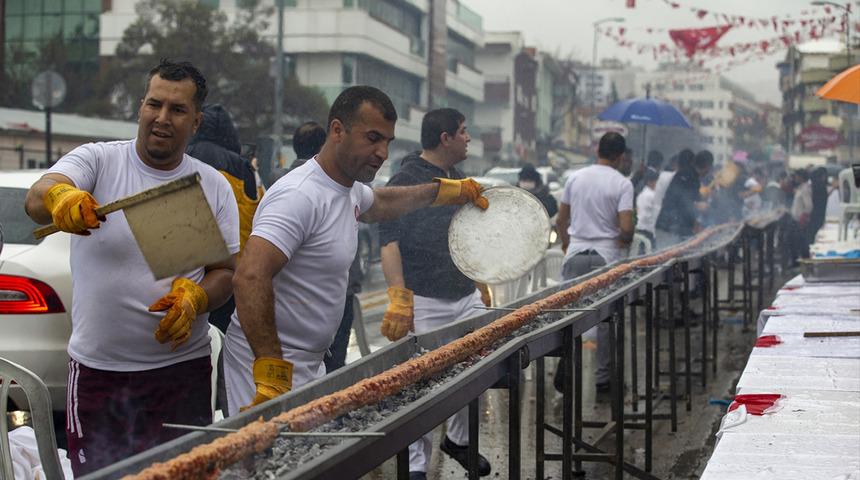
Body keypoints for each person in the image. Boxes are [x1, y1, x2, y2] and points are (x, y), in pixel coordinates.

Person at [24, 59, 239, 476]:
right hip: (98, 374)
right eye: (154, 104)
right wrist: (61, 199)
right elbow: (37, 197)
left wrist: (196, 298)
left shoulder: (211, 185)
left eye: (177, 110)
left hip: (180, 374)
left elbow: (225, 272)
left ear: (195, 122)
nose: (162, 118)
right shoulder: (100, 161)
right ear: (140, 106)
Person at [222, 86, 489, 417]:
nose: (382, 153)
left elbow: (384, 201)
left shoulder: (348, 191)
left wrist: (448, 190)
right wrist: (270, 371)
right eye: (372, 138)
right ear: (337, 131)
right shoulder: (299, 195)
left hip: (310, 362)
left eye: (388, 142)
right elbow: (249, 276)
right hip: (265, 367)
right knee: (262, 468)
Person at [376, 108, 491, 479]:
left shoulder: (460, 179)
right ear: (445, 138)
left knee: (478, 365)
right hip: (424, 299)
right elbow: (389, 243)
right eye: (463, 131)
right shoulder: (406, 179)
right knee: (421, 387)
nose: (468, 137)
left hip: (462, 294)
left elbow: (467, 240)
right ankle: (415, 469)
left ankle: (458, 439)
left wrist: (480, 284)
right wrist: (399, 298)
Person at [554, 132, 634, 393]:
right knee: (607, 320)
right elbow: (626, 228)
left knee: (569, 316)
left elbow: (560, 220)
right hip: (606, 258)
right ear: (621, 157)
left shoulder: (575, 177)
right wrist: (624, 238)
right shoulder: (622, 184)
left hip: (575, 254)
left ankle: (565, 367)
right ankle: (603, 378)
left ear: (598, 150)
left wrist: (567, 243)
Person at [185, 103, 261, 332]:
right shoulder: (244, 168)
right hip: (231, 275)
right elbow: (257, 212)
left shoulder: (180, 158)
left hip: (185, 271)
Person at [654, 150, 713, 248]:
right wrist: (698, 206)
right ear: (708, 166)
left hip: (674, 226)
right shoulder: (688, 176)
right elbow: (682, 202)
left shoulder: (690, 175)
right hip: (670, 226)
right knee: (667, 257)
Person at [635, 168, 660, 249]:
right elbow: (657, 214)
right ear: (650, 182)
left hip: (639, 230)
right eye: (657, 181)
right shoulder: (652, 195)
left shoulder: (641, 194)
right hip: (647, 232)